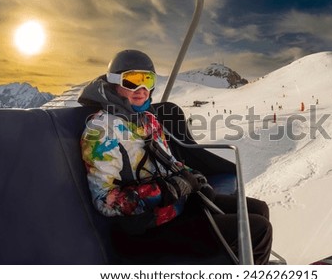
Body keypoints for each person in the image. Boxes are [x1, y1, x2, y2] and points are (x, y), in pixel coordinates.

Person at [78, 49, 272, 264]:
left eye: (147, 80)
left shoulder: (147, 119)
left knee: (258, 209)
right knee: (258, 230)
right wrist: (172, 189)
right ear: (114, 82)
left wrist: (195, 178)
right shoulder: (102, 132)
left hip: (177, 207)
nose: (141, 89)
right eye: (132, 80)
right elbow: (106, 201)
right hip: (145, 229)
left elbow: (170, 162)